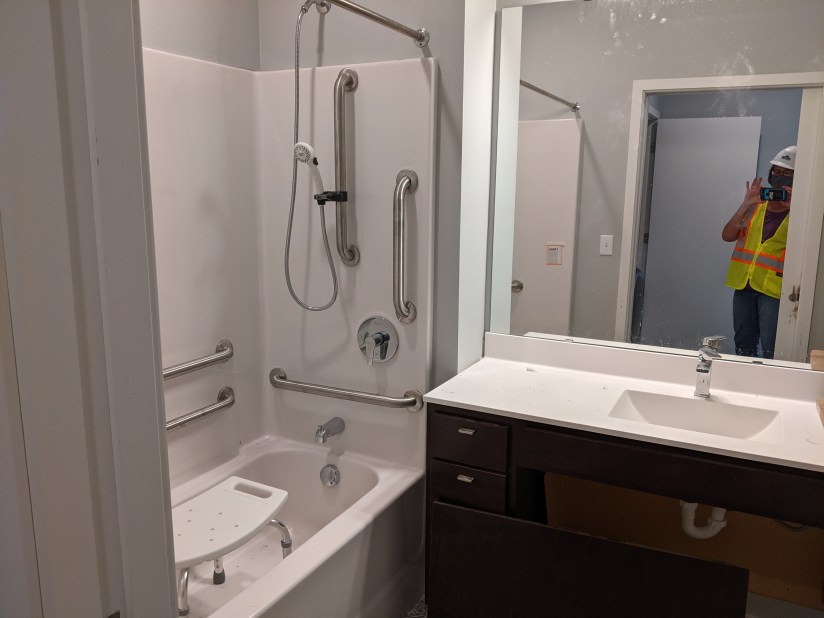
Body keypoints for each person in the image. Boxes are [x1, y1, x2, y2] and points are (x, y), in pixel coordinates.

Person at [722, 145, 796, 359]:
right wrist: (745, 204)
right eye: (776, 171)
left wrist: (794, 206)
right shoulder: (756, 207)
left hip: (773, 290)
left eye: (787, 174)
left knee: (771, 347)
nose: (780, 177)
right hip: (743, 286)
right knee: (743, 344)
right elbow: (727, 235)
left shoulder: (799, 213)